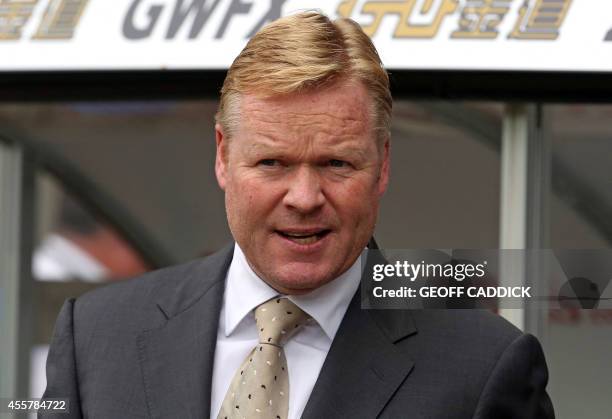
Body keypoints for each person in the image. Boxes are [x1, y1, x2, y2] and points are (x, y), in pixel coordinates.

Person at [41, 11, 554, 419]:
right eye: (272, 163)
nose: (305, 197)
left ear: (382, 166)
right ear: (222, 156)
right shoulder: (96, 338)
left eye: (336, 163)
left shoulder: (483, 370)